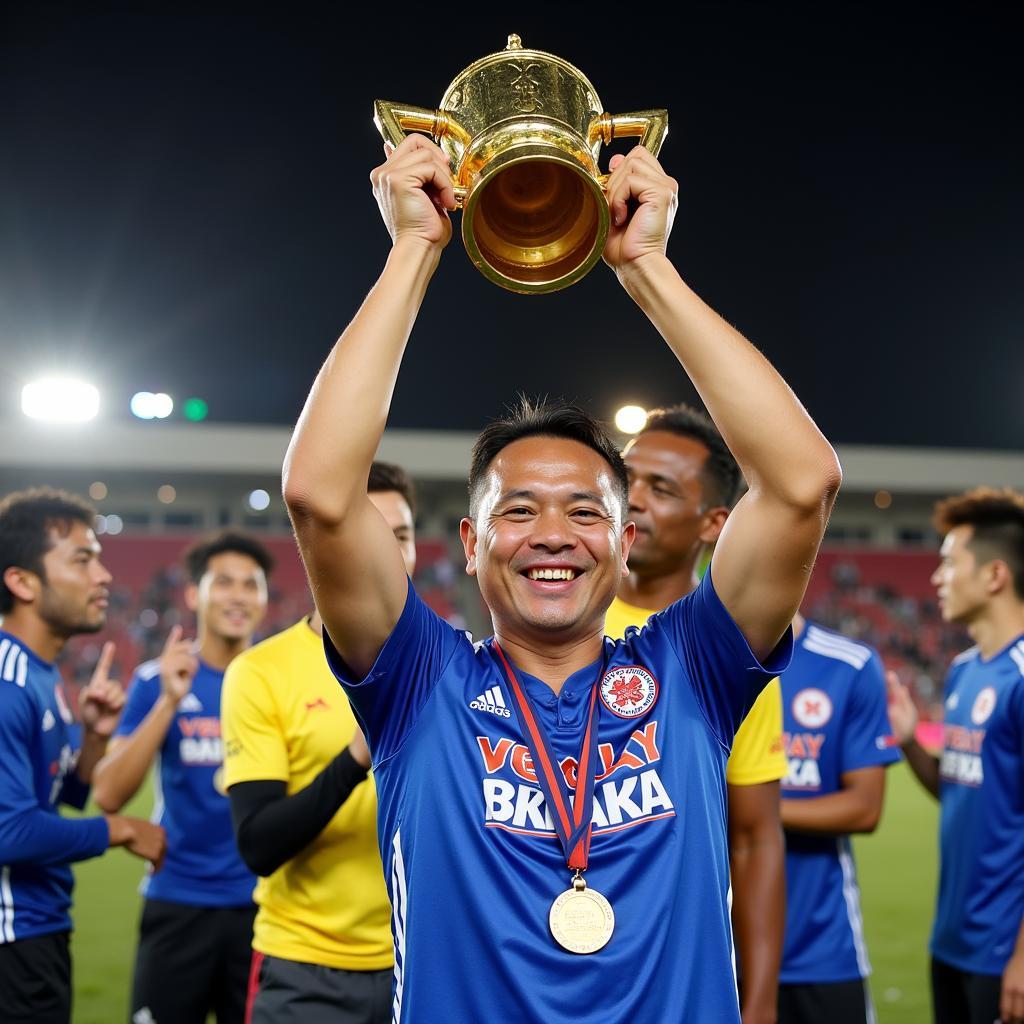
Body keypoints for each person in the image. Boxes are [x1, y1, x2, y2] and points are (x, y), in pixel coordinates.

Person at [282, 134, 841, 1022]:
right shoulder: (420, 680)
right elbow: (318, 493)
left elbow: (802, 484)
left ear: (624, 546)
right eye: (517, 510)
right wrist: (414, 251)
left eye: (587, 512)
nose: (553, 534)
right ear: (470, 542)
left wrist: (648, 268)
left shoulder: (688, 668)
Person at [604, 404, 788, 1024]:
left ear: (715, 522)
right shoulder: (544, 616)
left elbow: (756, 837)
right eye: (627, 478)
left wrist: (758, 1007)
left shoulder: (725, 655)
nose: (633, 499)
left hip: (671, 979)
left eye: (662, 488)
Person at [222, 462, 414, 1024]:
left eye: (399, 536)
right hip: (307, 969)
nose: (385, 551)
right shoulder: (262, 672)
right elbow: (258, 845)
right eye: (365, 532)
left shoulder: (457, 664)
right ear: (321, 548)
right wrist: (360, 753)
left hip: (425, 957)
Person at [0, 487, 166, 1024]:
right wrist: (120, 830)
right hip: (11, 940)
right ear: (21, 581)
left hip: (38, 926)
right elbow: (7, 831)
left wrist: (93, 739)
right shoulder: (8, 681)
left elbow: (59, 798)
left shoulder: (42, 673)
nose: (104, 576)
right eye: (82, 559)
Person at [92, 531, 272, 1024]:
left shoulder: (280, 681)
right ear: (194, 595)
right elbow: (108, 793)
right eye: (225, 582)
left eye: (251, 585)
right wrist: (171, 701)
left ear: (263, 599)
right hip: (177, 901)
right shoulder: (156, 679)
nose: (238, 596)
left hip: (263, 910)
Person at [887, 487, 1024, 1024]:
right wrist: (907, 741)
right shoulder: (966, 668)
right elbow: (959, 787)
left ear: (994, 576)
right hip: (952, 940)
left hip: (1004, 951)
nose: (936, 577)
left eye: (948, 563)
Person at [776, 611, 899, 1024]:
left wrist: (750, 809)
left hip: (822, 948)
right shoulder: (697, 657)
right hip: (714, 948)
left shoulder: (848, 664)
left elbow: (865, 807)